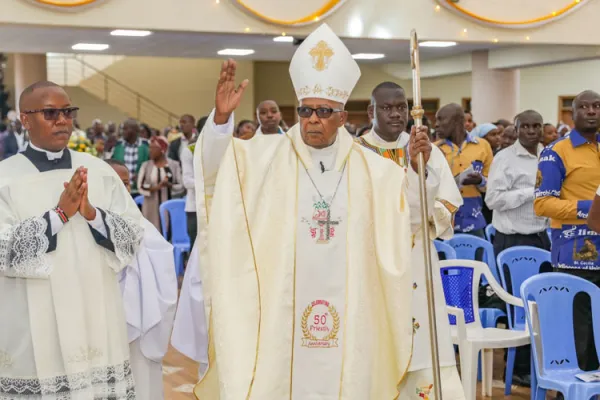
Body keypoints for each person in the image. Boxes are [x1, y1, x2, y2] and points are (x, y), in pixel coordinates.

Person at [191, 24, 414, 399]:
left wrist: (420, 170)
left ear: (342, 118)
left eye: (323, 111)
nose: (312, 118)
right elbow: (216, 172)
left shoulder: (377, 172)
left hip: (352, 301)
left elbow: (403, 225)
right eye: (306, 110)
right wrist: (219, 123)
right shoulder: (264, 157)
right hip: (283, 301)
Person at [0, 81, 143, 398]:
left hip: (95, 308)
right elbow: (3, 249)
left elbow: (133, 235)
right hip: (34, 315)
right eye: (50, 112)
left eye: (67, 112)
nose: (62, 120)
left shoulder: (98, 170)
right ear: (25, 119)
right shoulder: (5, 177)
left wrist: (92, 214)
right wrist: (59, 215)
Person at [357, 81, 464, 399]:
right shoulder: (356, 153)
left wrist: (421, 172)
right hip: (373, 260)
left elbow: (446, 206)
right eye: (387, 107)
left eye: (401, 107)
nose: (395, 114)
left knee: (424, 345)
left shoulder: (426, 150)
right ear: (371, 110)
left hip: (418, 260)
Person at [534, 91, 600, 392]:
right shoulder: (556, 152)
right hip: (577, 255)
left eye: (597, 106)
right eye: (584, 107)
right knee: (582, 333)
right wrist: (589, 208)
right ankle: (575, 392)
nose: (591, 111)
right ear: (570, 115)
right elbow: (543, 204)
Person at [486, 110, 550, 387]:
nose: (532, 131)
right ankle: (517, 370)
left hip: (542, 237)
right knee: (520, 306)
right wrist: (530, 193)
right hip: (512, 241)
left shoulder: (549, 155)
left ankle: (541, 367)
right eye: (526, 126)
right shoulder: (504, 158)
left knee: (542, 305)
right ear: (518, 128)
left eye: (537, 126)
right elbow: (493, 200)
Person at [107, 159, 178, 400]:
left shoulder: (141, 223)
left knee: (140, 381)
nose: (122, 188)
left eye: (126, 183)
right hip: (102, 316)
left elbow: (163, 261)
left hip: (138, 314)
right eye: (113, 182)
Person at [436, 104, 493, 237]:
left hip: (474, 221)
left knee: (476, 258)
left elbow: (494, 184)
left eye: (441, 119)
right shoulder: (434, 150)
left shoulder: (483, 146)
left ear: (457, 121)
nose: (436, 124)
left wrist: (480, 181)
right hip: (443, 223)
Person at [137, 136, 183, 230]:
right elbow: (140, 187)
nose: (150, 150)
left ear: (162, 149)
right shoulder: (145, 166)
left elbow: (181, 186)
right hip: (150, 207)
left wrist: (169, 185)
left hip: (170, 205)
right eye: (150, 147)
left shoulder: (174, 165)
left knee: (168, 229)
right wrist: (156, 187)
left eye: (153, 148)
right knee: (152, 231)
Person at [112, 119, 150, 196]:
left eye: (125, 129)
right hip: (121, 191)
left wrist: (141, 175)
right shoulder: (117, 147)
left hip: (140, 191)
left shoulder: (146, 147)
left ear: (135, 130)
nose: (123, 132)